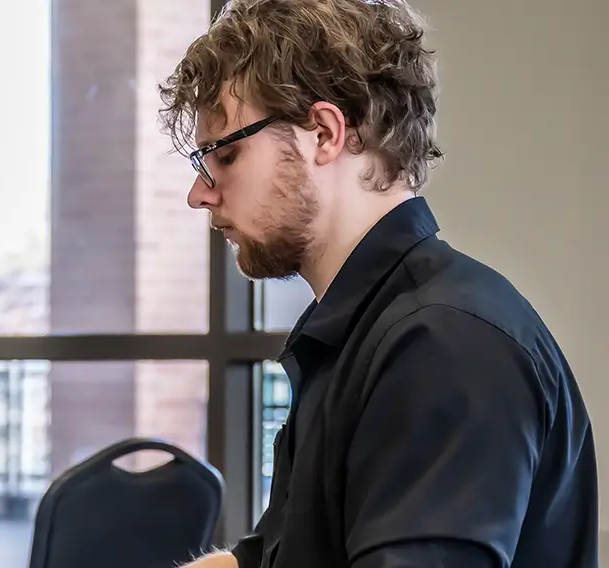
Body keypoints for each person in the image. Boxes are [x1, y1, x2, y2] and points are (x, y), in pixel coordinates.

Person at [156, 1, 598, 567]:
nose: (200, 193)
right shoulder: (360, 333)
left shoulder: (443, 344)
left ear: (323, 133)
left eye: (224, 154)